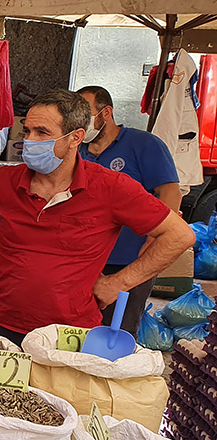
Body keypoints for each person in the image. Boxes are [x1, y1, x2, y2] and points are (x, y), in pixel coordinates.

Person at [0, 89, 195, 346]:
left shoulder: (111, 187)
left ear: (76, 137)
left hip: (72, 333)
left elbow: (179, 235)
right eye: (27, 131)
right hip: (3, 325)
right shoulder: (3, 182)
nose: (30, 140)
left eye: (42, 133)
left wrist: (119, 282)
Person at [78, 85, 182, 334]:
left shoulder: (143, 144)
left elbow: (170, 193)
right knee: (79, 330)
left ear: (106, 113)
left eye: (86, 114)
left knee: (117, 331)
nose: (81, 122)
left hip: (129, 262)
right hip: (84, 260)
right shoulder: (77, 149)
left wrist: (154, 242)